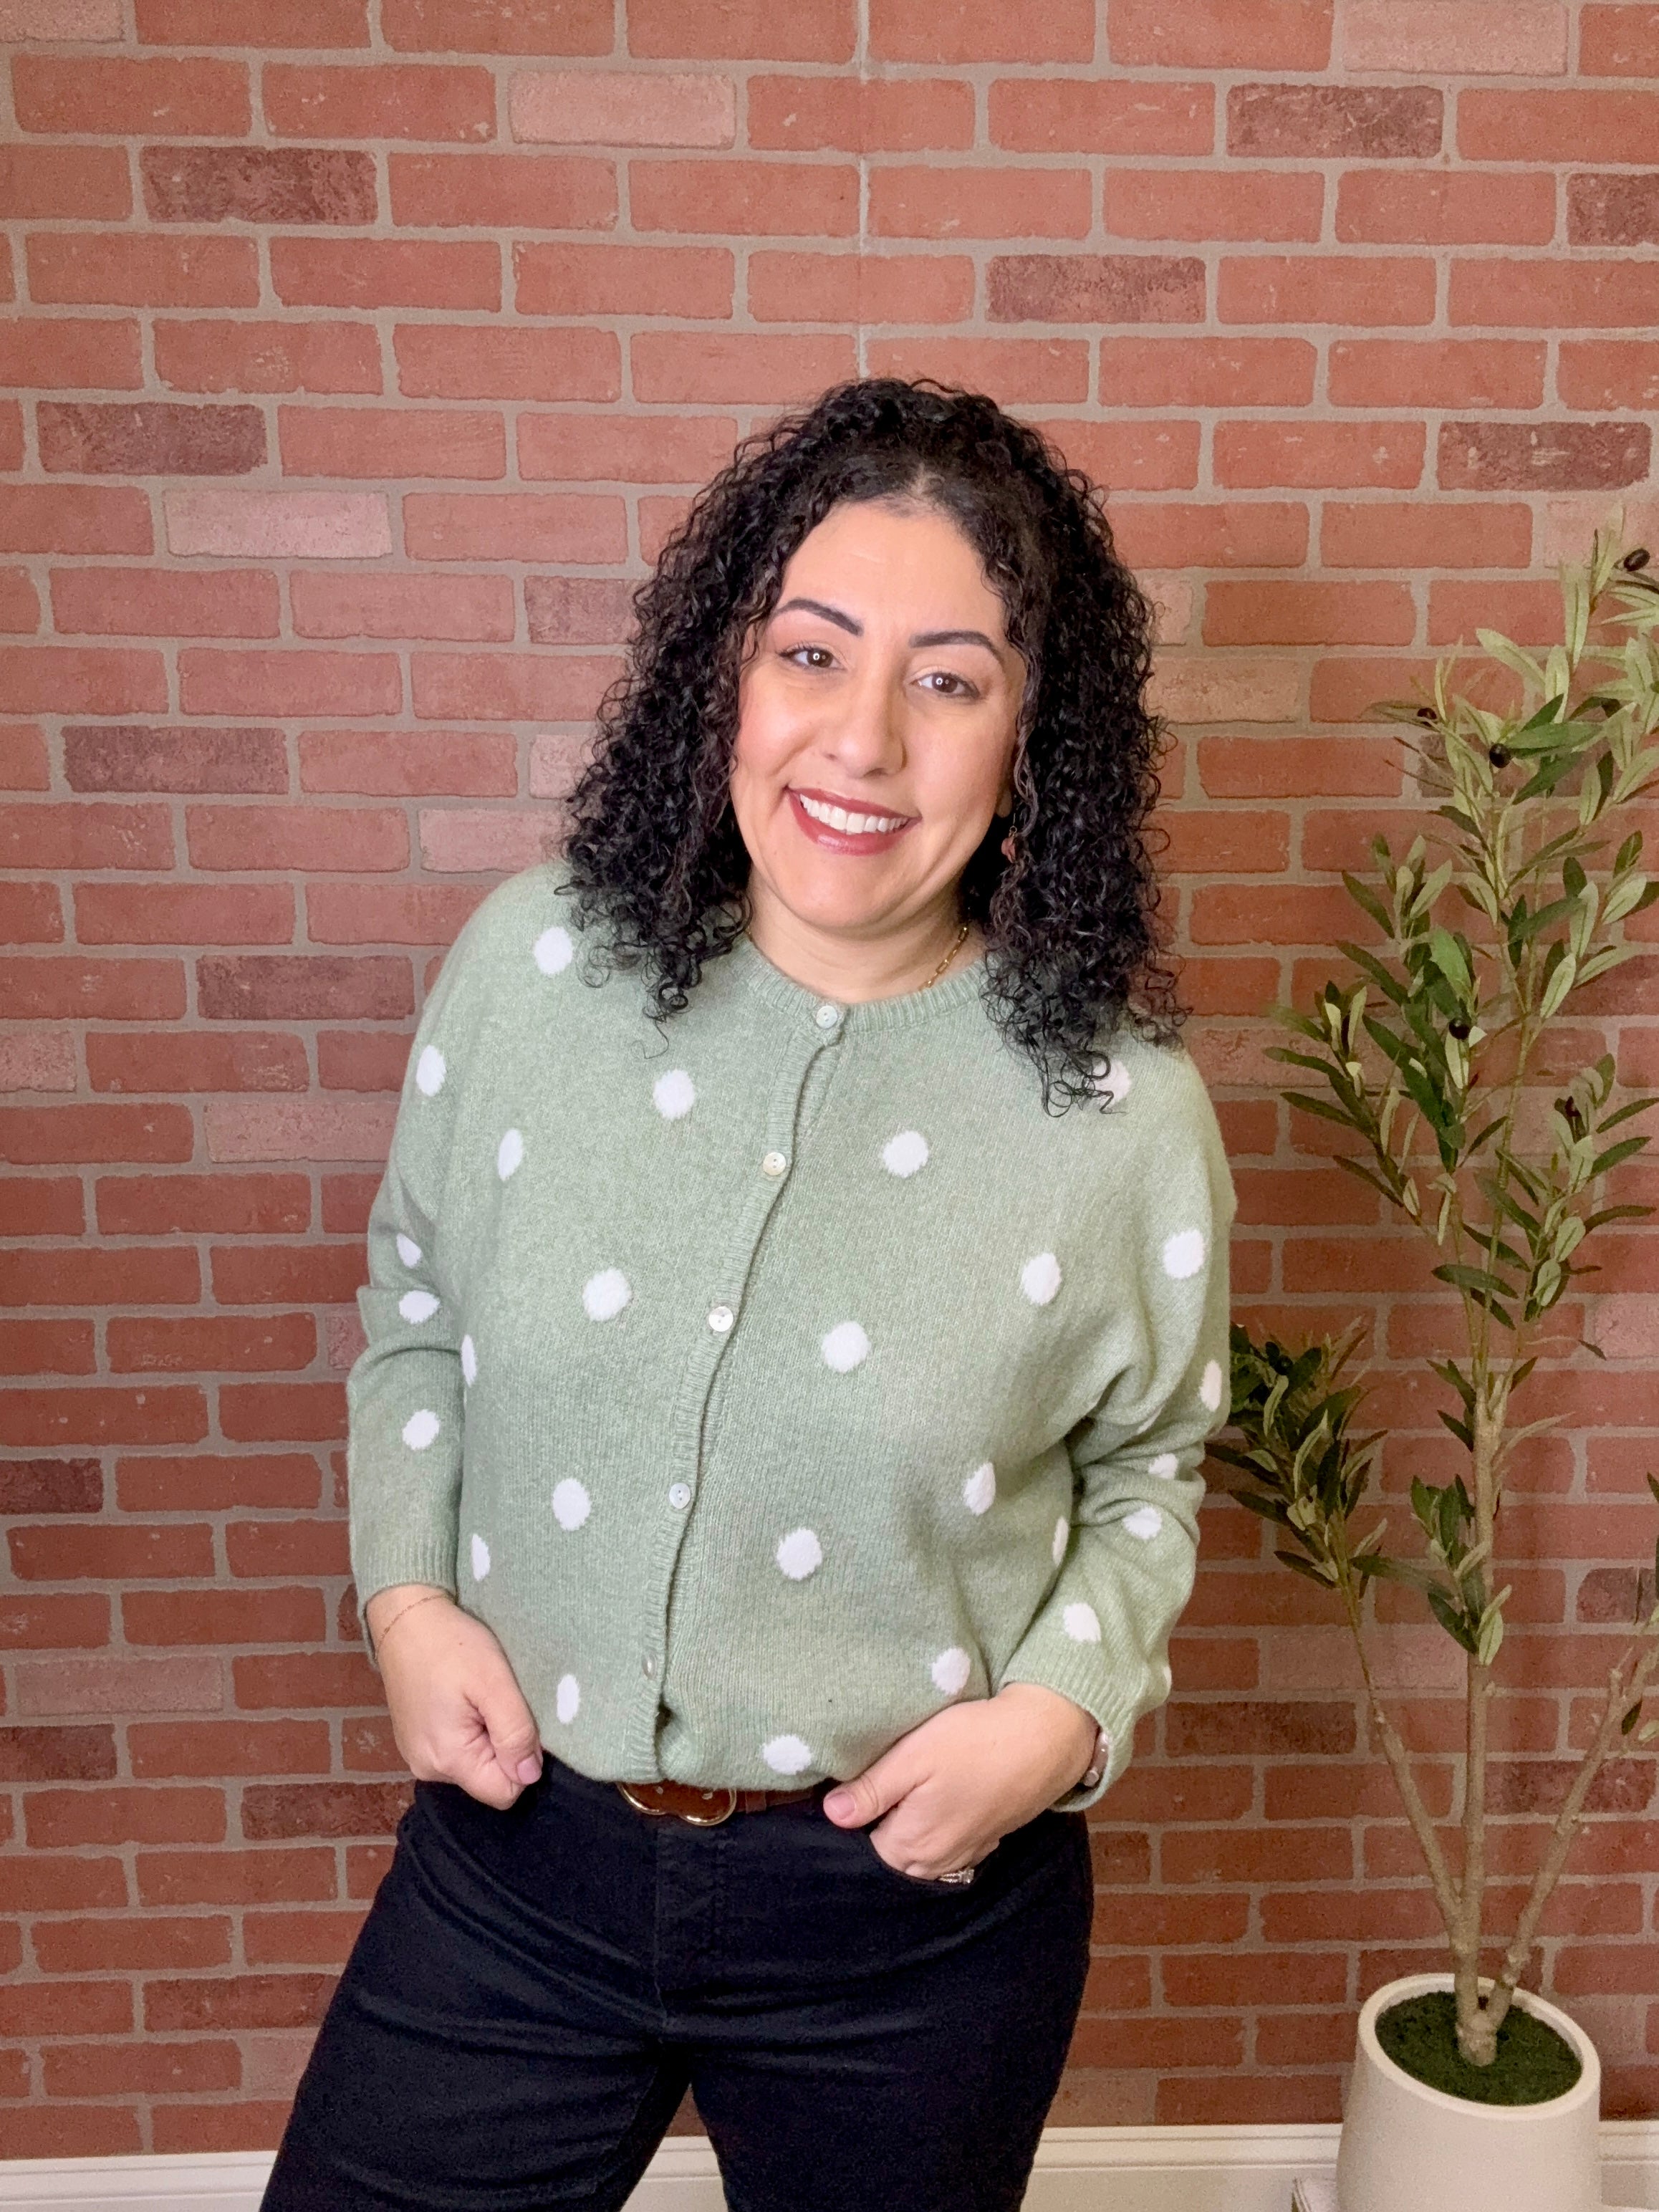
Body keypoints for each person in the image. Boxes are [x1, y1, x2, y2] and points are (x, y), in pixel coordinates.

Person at [259, 376, 1236, 2212]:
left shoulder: (1121, 1114)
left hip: (907, 1923)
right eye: (813, 652)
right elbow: (415, 1307)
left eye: (949, 680)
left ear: (1035, 737)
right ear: (731, 672)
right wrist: (406, 1594)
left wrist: (1062, 1713)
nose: (863, 739)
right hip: (517, 1867)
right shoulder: (533, 969)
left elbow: (1149, 1469)